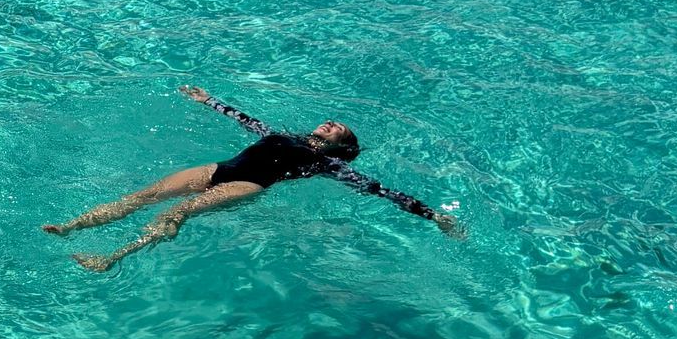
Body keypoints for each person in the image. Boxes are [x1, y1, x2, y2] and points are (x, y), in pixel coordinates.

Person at [46, 85, 461, 273]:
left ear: (341, 146)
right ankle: (72, 227)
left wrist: (433, 216)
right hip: (221, 168)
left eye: (341, 130)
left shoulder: (328, 165)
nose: (333, 124)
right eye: (333, 121)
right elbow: (249, 121)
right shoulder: (283, 136)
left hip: (249, 184)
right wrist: (211, 101)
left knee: (179, 211)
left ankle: (111, 258)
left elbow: (382, 191)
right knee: (147, 193)